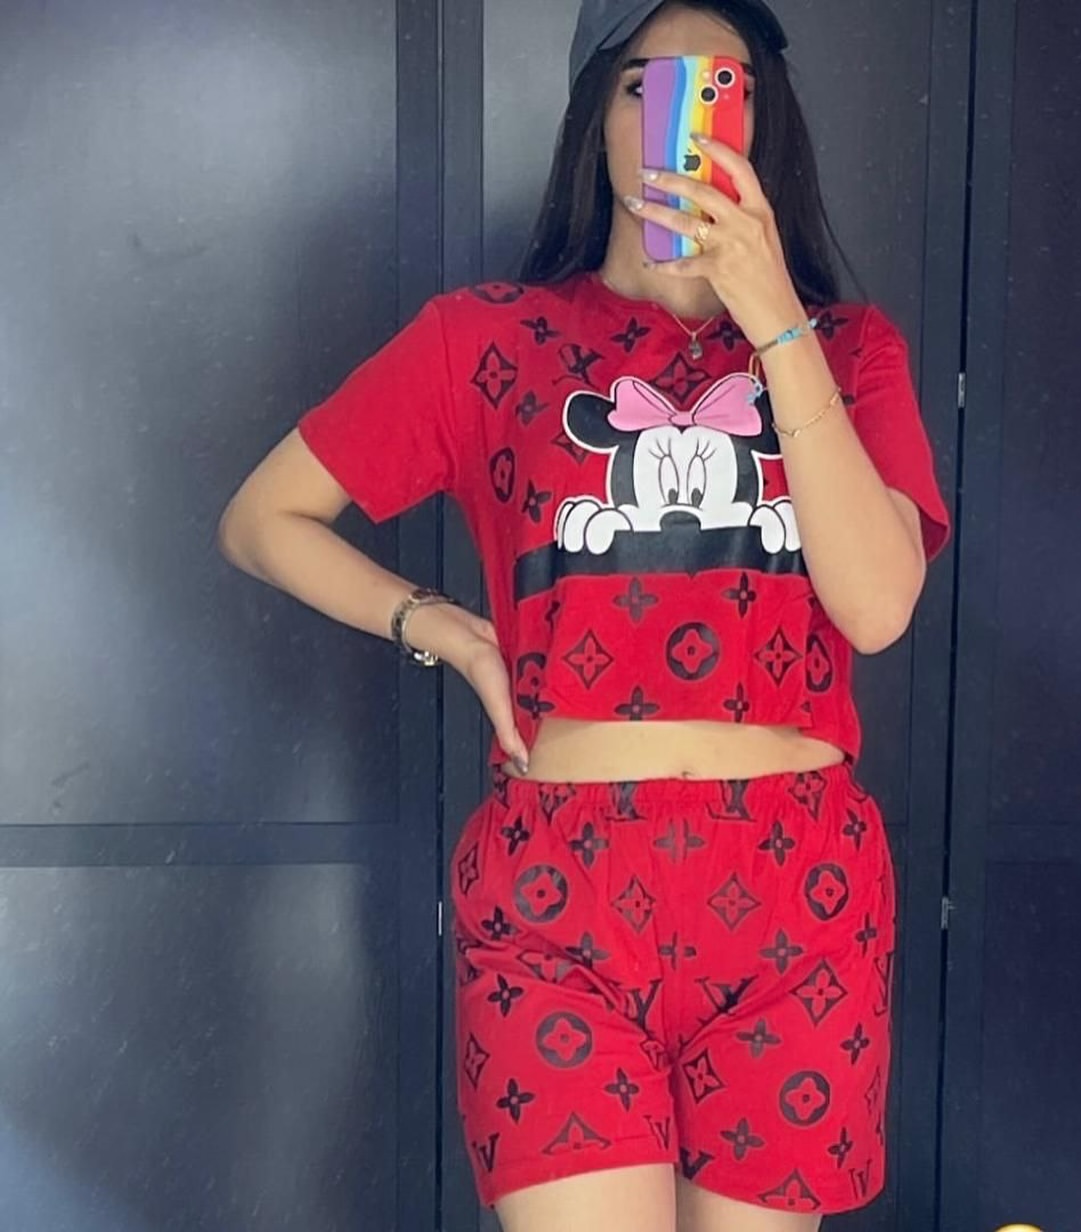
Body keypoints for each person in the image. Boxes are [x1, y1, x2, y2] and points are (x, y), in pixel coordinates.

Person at [218, 0, 951, 1228]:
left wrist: (772, 316)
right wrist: (444, 627)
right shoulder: (485, 340)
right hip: (560, 894)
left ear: (763, 123)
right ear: (596, 117)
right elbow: (262, 518)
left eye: (722, 86)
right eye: (645, 85)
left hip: (795, 893)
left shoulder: (849, 349)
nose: (684, 116)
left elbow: (876, 606)